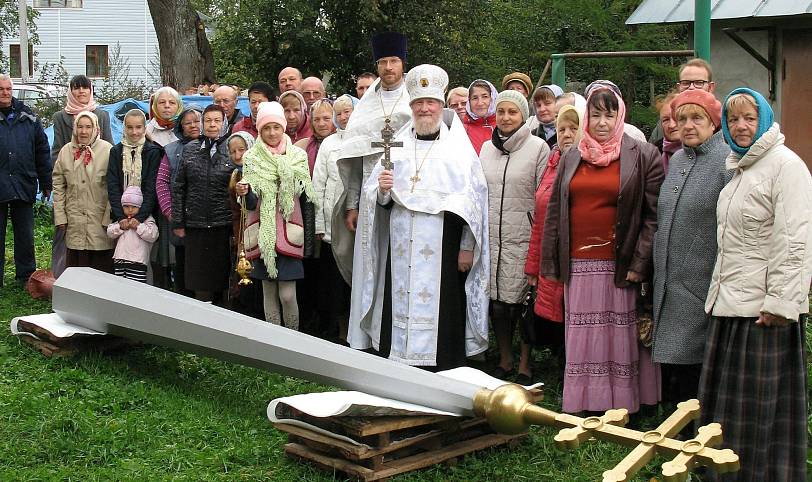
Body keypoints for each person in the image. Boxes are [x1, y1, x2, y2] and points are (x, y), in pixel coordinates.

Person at [699, 88, 811, 482]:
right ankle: (723, 473)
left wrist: (780, 303)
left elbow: (794, 240)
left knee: (760, 411)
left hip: (763, 312)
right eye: (733, 119)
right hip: (730, 306)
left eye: (749, 118)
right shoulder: (740, 170)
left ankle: (761, 474)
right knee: (729, 410)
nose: (741, 126)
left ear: (764, 119)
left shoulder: (786, 166)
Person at [347, 64, 490, 370]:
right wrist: (383, 191)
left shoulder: (458, 151)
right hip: (400, 247)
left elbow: (473, 207)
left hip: (443, 247)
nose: (425, 109)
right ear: (411, 107)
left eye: (431, 103)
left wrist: (467, 247)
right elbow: (378, 204)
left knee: (443, 308)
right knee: (398, 299)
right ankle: (397, 363)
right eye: (419, 103)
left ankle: (442, 368)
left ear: (441, 106)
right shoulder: (396, 147)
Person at [542, 80, 663, 414]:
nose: (602, 123)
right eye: (595, 115)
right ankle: (586, 402)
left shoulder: (642, 155)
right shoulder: (571, 156)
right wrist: (551, 262)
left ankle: (623, 404)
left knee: (619, 338)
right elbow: (556, 210)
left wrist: (640, 263)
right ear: (586, 118)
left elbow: (653, 216)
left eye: (609, 115)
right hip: (578, 264)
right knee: (584, 337)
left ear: (620, 116)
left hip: (620, 263)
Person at [651, 89, 730, 405]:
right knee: (674, 368)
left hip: (702, 283)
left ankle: (696, 427)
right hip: (669, 283)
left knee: (696, 369)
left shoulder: (727, 161)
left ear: (713, 123)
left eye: (697, 118)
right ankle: (675, 424)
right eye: (681, 118)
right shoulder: (678, 159)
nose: (687, 125)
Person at [479, 90, 550, 383]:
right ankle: (505, 358)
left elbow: (543, 195)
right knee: (497, 304)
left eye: (513, 112)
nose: (506, 118)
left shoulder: (538, 148)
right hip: (492, 237)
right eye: (501, 112)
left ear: (523, 115)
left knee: (522, 304)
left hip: (523, 238)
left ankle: (524, 362)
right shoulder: (486, 149)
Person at [333, 31, 412, 282]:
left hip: (406, 192)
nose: (388, 67)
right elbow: (355, 162)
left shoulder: (414, 100)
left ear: (403, 63)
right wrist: (352, 205)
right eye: (383, 62)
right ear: (377, 65)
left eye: (394, 61)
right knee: (370, 259)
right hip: (369, 194)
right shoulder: (365, 108)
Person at [242, 101, 317, 329]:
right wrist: (245, 192)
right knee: (269, 293)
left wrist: (310, 238)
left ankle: (291, 337)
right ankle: (272, 339)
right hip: (262, 235)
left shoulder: (297, 156)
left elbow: (306, 198)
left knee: (287, 294)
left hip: (289, 233)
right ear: (260, 130)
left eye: (276, 127)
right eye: (266, 128)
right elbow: (250, 203)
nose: (272, 133)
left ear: (283, 127)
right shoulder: (251, 158)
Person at [524, 102, 585, 376]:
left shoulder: (589, 164)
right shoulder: (552, 163)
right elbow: (540, 221)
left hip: (578, 259)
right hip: (552, 259)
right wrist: (533, 267)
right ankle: (565, 372)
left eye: (573, 128)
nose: (567, 134)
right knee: (559, 317)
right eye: (562, 129)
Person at [50, 75, 114, 278]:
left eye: (85, 87)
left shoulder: (107, 148)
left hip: (97, 208)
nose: (84, 131)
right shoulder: (65, 142)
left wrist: (109, 217)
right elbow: (58, 180)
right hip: (74, 203)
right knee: (75, 263)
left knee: (100, 265)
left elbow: (112, 184)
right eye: (80, 126)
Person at [171, 104, 235, 302]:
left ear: (224, 123)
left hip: (223, 224)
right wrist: (178, 221)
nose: (212, 125)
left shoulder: (232, 147)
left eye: (217, 120)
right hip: (195, 224)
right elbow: (179, 186)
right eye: (208, 120)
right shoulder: (190, 149)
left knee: (223, 277)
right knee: (199, 280)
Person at [0, 74, 51, 287]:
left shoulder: (28, 117)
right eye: (1, 89)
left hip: (23, 183)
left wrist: (46, 182)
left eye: (8, 89)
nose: (5, 93)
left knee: (25, 235)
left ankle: (25, 277)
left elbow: (42, 150)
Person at [313, 94, 356, 342]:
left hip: (355, 223)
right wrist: (320, 223)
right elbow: (318, 184)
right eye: (338, 113)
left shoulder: (364, 139)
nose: (343, 117)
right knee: (334, 282)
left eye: (347, 111)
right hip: (332, 224)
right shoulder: (329, 143)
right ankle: (338, 330)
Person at [107, 109, 164, 285]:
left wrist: (139, 217)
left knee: (144, 259)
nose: (134, 132)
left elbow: (152, 187)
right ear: (124, 128)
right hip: (122, 215)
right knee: (123, 255)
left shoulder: (153, 151)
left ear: (144, 128)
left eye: (138, 127)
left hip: (146, 215)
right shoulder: (116, 151)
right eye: (130, 127)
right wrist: (121, 217)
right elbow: (113, 185)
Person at [156, 105, 201, 296]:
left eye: (197, 121)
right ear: (181, 127)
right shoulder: (172, 150)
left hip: (209, 222)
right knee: (183, 269)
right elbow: (162, 182)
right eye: (187, 123)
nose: (193, 125)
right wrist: (170, 211)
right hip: (181, 219)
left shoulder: (216, 146)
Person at [649, 58, 716, 145]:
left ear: (710, 88)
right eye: (686, 83)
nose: (691, 87)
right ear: (679, 87)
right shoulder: (662, 127)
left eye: (699, 82)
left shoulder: (725, 123)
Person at [107, 186, 159, 283]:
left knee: (136, 287)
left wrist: (138, 226)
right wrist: (120, 227)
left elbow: (153, 235)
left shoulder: (147, 219)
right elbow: (110, 232)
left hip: (137, 262)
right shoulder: (122, 220)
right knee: (120, 286)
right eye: (126, 206)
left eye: (134, 207)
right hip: (120, 260)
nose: (130, 210)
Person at [294, 99, 336, 174]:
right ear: (311, 122)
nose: (321, 124)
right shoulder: (301, 147)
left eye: (326, 118)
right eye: (316, 119)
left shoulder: (344, 144)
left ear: (335, 119)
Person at [462, 79, 497, 154]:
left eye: (485, 97)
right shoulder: (461, 130)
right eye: (475, 98)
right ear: (469, 102)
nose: (480, 103)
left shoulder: (504, 127)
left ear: (493, 98)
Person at [653, 91, 680, 172]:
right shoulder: (654, 154)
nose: (672, 125)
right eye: (666, 120)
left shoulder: (706, 151)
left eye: (677, 117)